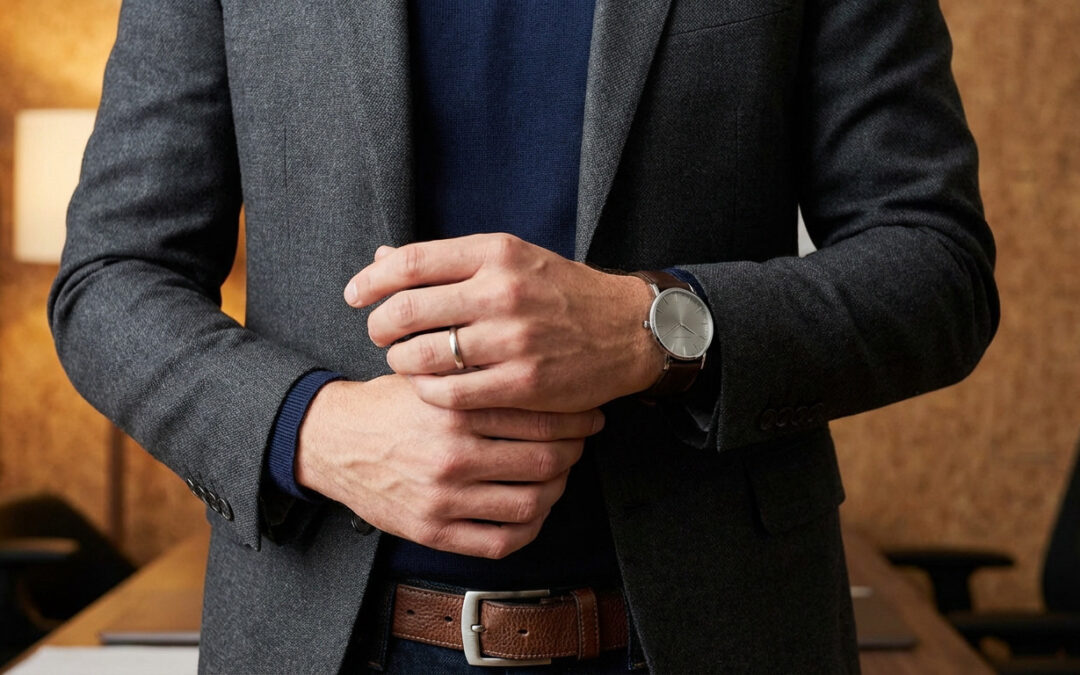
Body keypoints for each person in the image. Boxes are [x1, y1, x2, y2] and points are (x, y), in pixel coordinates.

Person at [48, 0, 999, 672]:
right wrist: (312, 429)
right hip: (322, 643)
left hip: (720, 631)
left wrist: (653, 329)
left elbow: (936, 265)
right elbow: (110, 278)